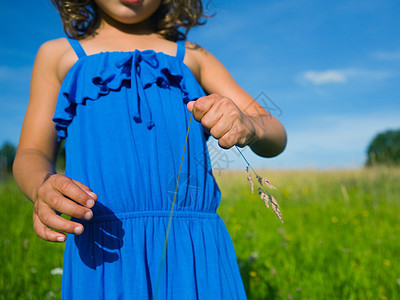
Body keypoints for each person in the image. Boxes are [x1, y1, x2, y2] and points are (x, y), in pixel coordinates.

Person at [13, 0, 287, 298]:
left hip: (195, 246)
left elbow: (275, 133)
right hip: (105, 250)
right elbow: (32, 151)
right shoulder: (57, 55)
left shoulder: (193, 56)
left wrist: (250, 124)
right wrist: (41, 185)